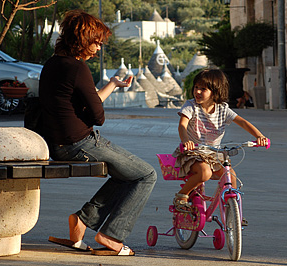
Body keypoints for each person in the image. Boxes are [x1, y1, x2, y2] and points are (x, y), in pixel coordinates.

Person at [39, 10, 157, 256]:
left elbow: (81, 105)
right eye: (96, 43)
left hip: (57, 143)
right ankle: (112, 235)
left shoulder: (52, 64)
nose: (98, 49)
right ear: (83, 39)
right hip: (79, 143)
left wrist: (113, 83)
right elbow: (98, 117)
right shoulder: (77, 68)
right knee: (146, 175)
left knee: (126, 174)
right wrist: (89, 108)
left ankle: (82, 221)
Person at [172, 69, 268, 213]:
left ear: (215, 91)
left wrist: (259, 136)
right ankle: (182, 195)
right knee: (205, 173)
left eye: (203, 89)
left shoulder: (223, 109)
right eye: (196, 87)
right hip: (192, 153)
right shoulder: (191, 106)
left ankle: (232, 211)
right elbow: (182, 125)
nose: (197, 91)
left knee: (231, 176)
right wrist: (186, 141)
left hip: (213, 154)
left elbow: (242, 122)